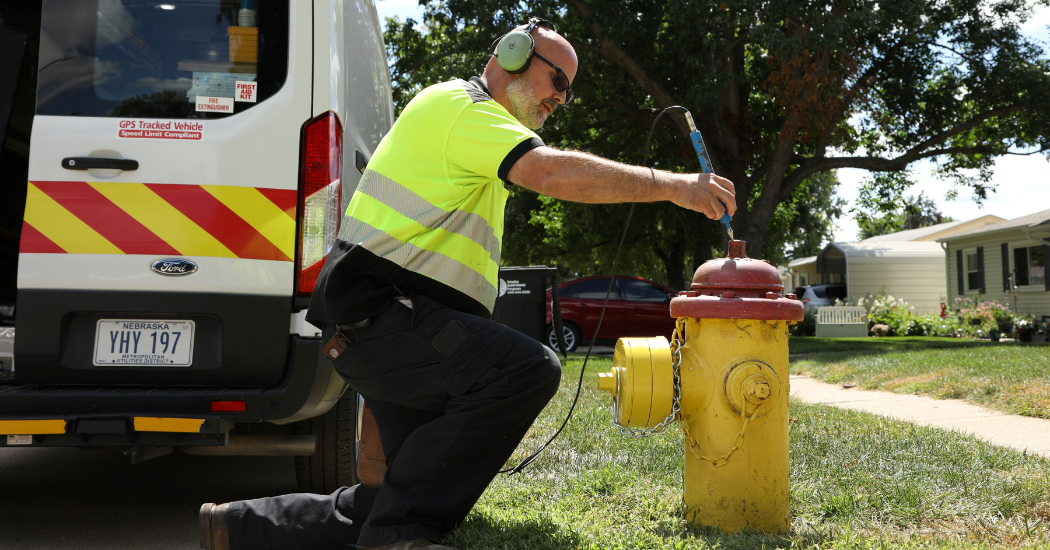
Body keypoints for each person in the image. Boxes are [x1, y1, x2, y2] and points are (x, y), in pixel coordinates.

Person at [198, 17, 736, 550]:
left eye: (568, 92)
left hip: (384, 327)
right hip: (386, 317)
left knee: (396, 495)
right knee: (526, 370)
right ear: (512, 55)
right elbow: (550, 173)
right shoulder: (461, 108)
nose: (562, 100)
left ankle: (234, 526)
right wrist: (676, 187)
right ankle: (395, 539)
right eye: (559, 82)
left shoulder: (474, 140)